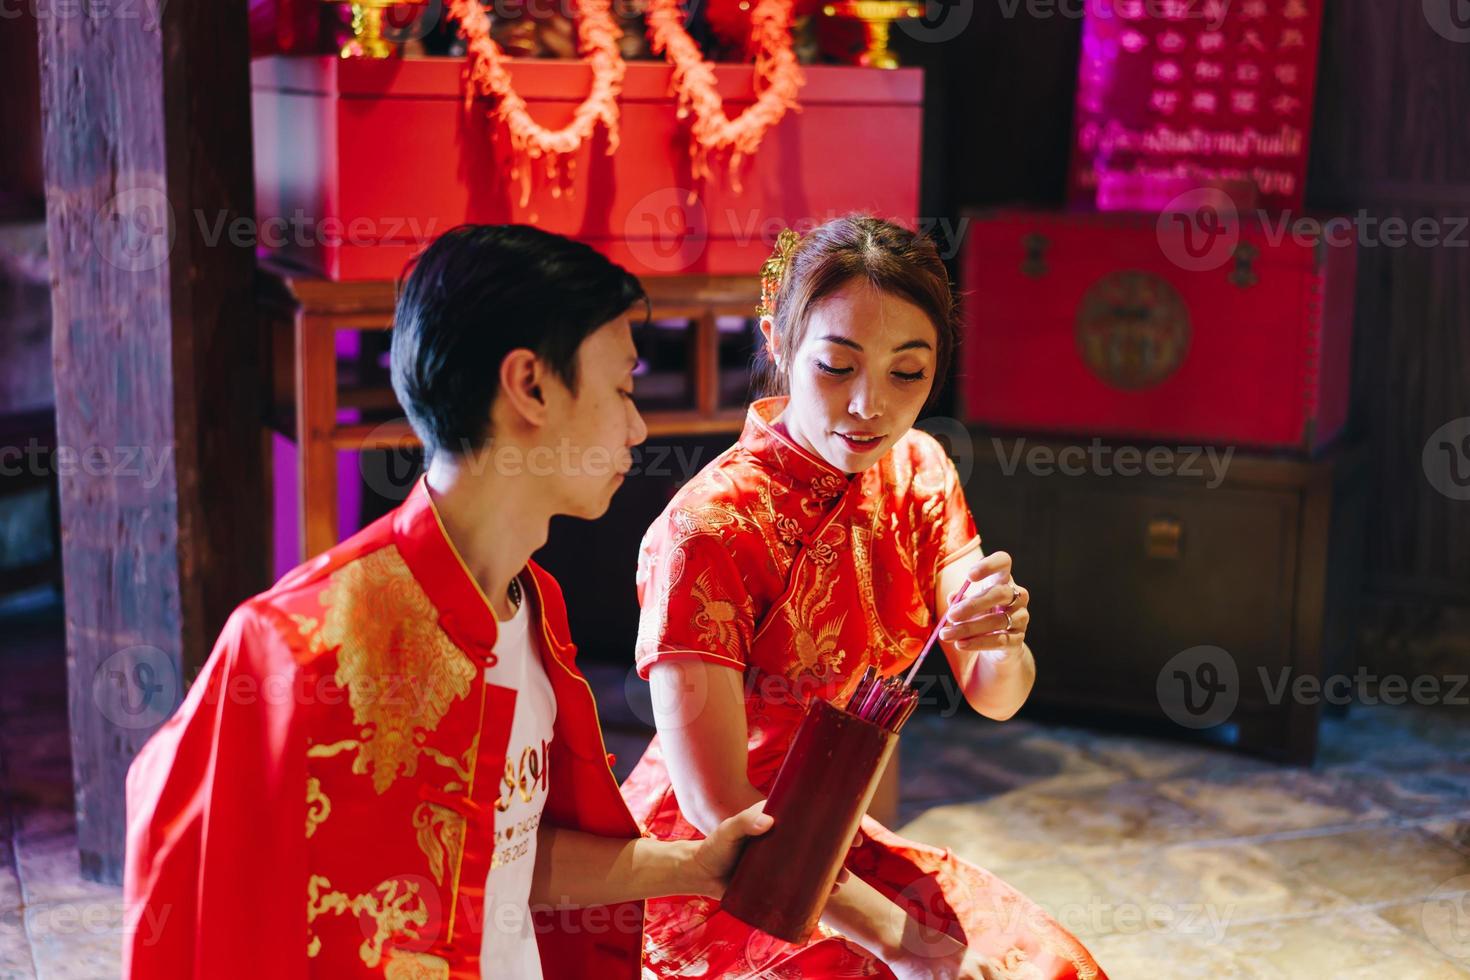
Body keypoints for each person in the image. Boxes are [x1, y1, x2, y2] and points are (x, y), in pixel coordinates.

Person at [122, 225, 773, 979]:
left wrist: (695, 866)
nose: (637, 425)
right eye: (622, 388)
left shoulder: (535, 607)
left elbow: (502, 853)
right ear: (529, 384)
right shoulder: (298, 646)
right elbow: (206, 901)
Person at [623, 216, 1109, 979]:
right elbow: (719, 804)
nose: (868, 407)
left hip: (837, 838)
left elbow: (997, 697)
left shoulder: (918, 469)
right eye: (837, 367)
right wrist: (898, 939)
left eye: (906, 374)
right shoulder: (706, 528)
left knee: (1053, 967)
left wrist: (1002, 642)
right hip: (719, 864)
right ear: (778, 343)